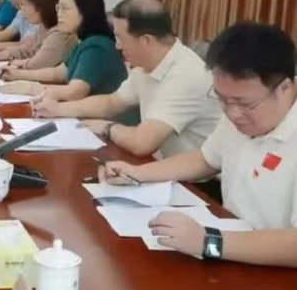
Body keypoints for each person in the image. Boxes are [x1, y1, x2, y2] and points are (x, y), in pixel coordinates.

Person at [99, 22, 297, 267]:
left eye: (246, 104)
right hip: (236, 251)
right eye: (222, 99)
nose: (233, 114)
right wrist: (137, 173)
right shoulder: (238, 112)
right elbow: (205, 159)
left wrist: (209, 242)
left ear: (285, 88)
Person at [34, 0, 220, 159]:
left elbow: (142, 143)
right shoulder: (147, 65)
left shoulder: (184, 75)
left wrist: (107, 128)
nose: (117, 46)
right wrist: (57, 109)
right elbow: (112, 103)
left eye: (120, 38)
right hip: (164, 167)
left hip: (196, 183)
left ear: (146, 40)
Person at [3, 0, 128, 102]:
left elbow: (73, 92)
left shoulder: (96, 47)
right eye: (58, 8)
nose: (59, 14)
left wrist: (31, 88)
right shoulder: (83, 42)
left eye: (65, 8)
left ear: (85, 10)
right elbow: (57, 73)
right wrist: (17, 74)